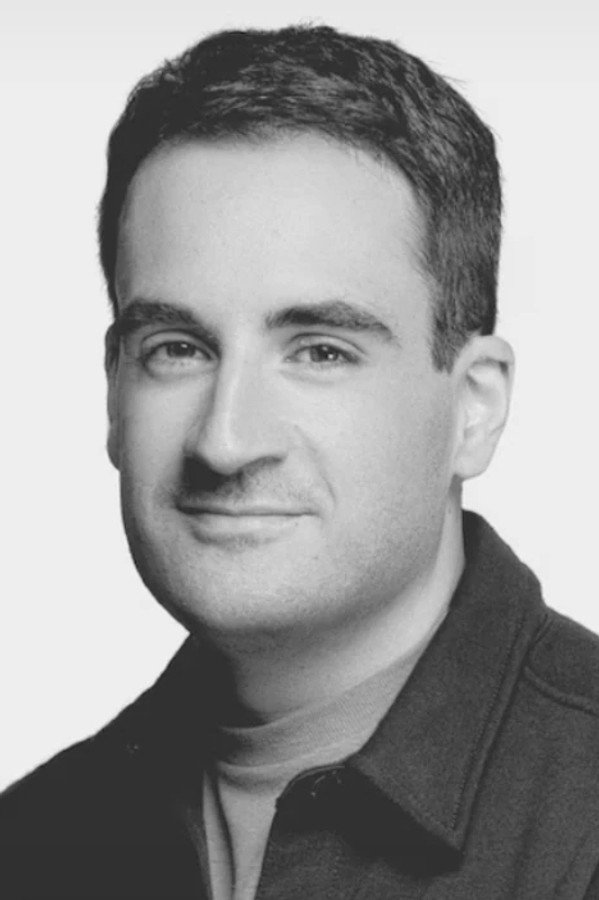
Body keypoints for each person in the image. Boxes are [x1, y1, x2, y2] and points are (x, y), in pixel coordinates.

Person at [1, 22, 598, 900]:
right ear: (114, 395)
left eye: (320, 351)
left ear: (474, 408)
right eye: (177, 349)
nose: (224, 440)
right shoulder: (30, 842)